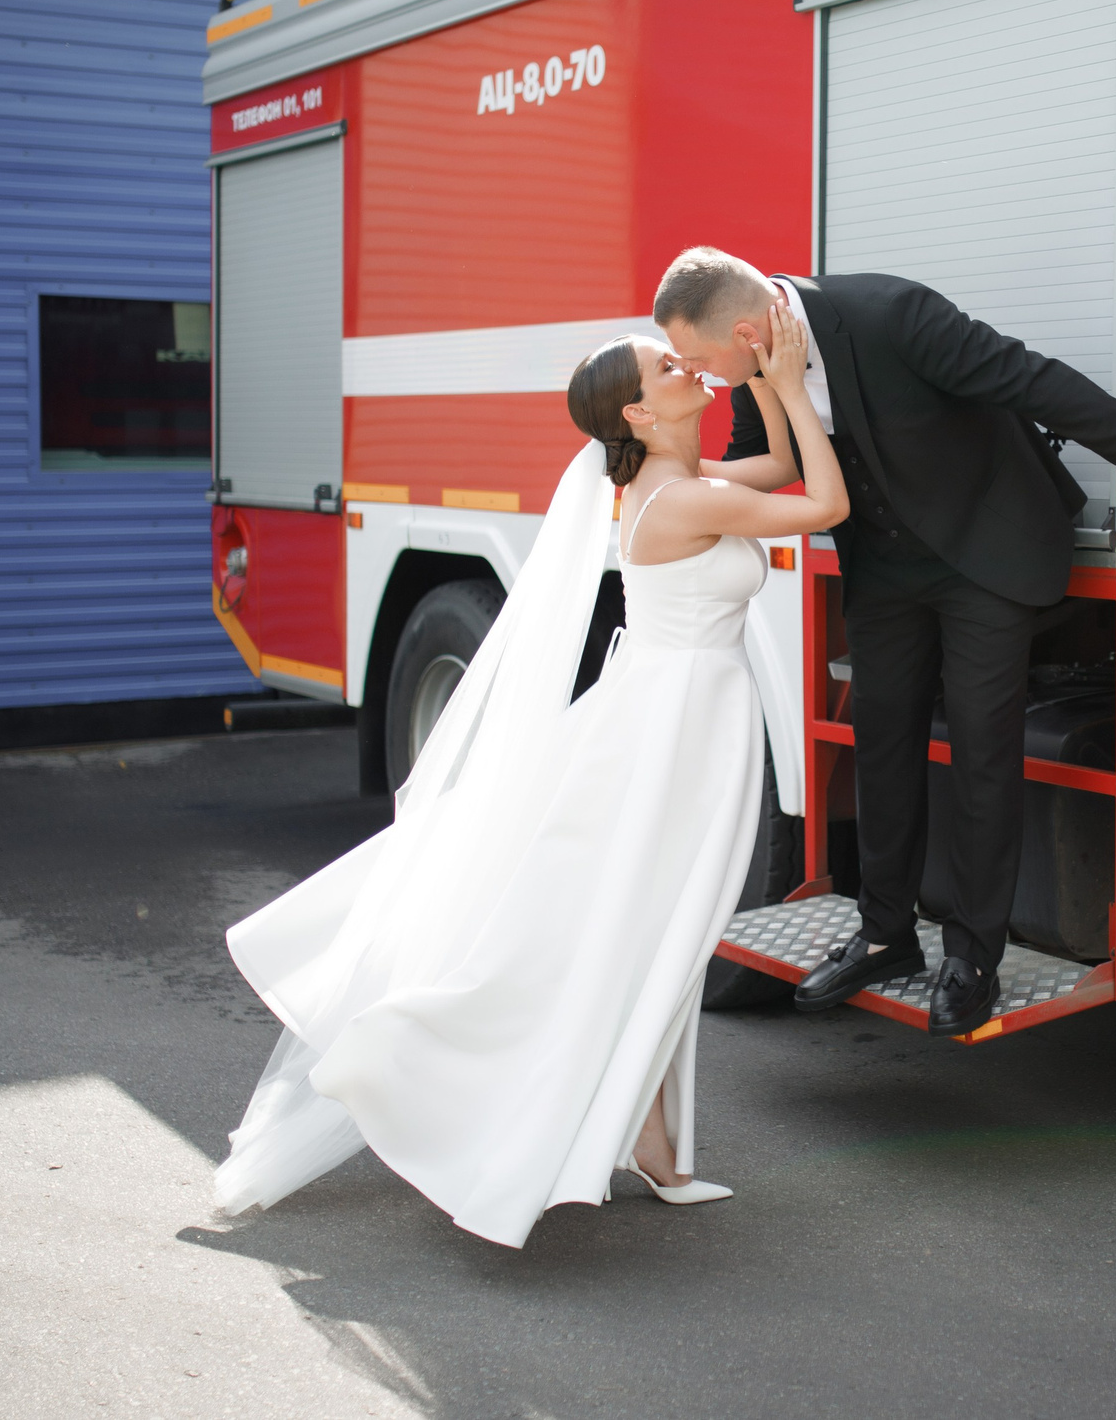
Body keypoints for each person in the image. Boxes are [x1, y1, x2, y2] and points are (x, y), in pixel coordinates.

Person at [209, 309, 847, 1245]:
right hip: (670, 735)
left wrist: (759, 372)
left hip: (684, 724)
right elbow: (825, 504)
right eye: (668, 366)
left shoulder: (685, 480)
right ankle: (414, 1057)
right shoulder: (682, 501)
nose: (684, 367)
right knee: (650, 931)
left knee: (658, 932)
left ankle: (657, 1147)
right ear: (637, 414)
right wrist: (786, 384)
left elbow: (785, 470)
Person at [653, 248, 1116, 1039]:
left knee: (982, 745)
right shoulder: (756, 362)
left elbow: (1033, 379)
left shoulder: (892, 313)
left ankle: (972, 955)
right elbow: (771, 457)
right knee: (882, 737)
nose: (700, 373)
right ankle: (886, 935)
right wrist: (668, 475)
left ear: (747, 330)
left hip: (984, 551)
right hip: (884, 562)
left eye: (699, 358)